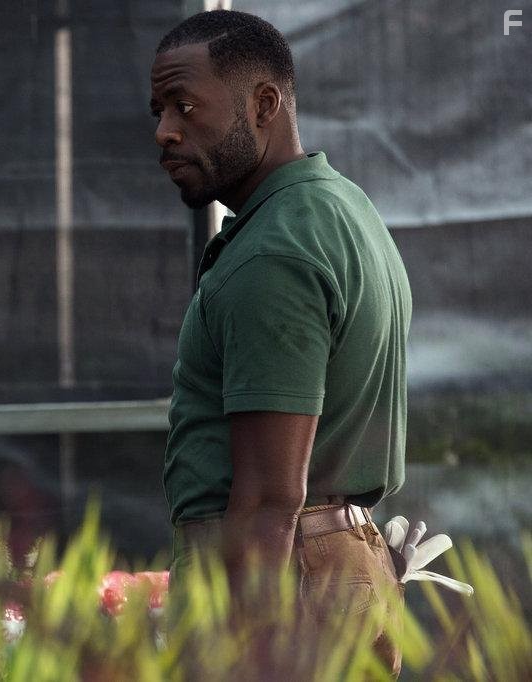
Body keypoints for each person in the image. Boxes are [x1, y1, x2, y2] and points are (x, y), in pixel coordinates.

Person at [151, 10, 411, 675]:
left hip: (282, 589)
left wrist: (244, 652)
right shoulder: (339, 206)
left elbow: (269, 501)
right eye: (158, 111)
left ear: (264, 104)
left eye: (185, 106)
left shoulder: (275, 252)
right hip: (332, 570)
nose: (165, 132)